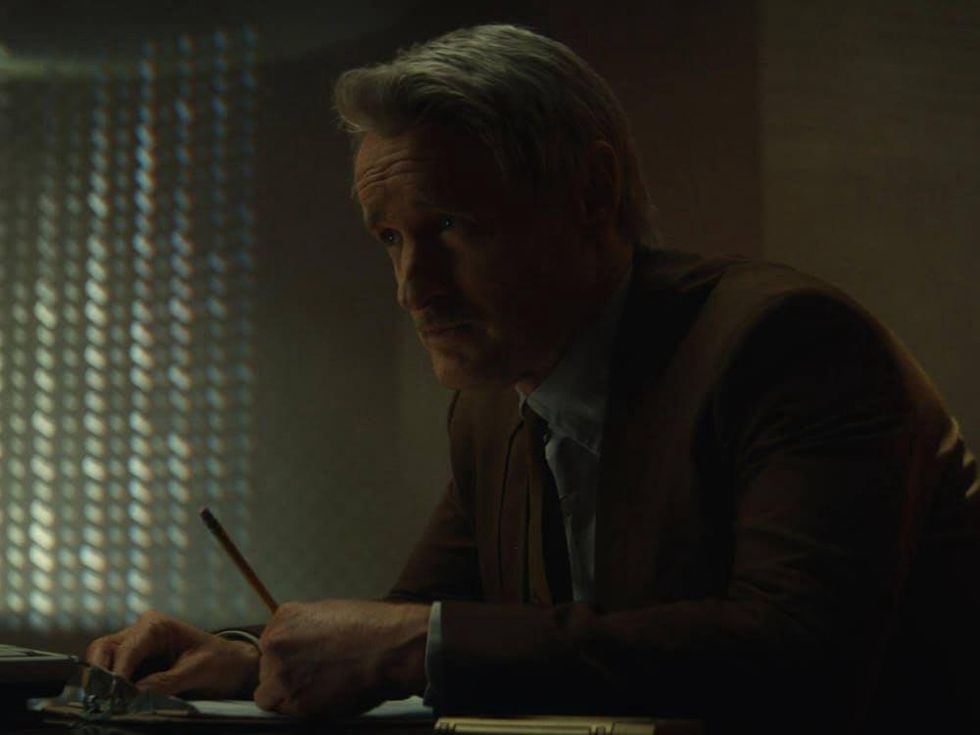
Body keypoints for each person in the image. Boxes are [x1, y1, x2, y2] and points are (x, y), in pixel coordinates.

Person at [86, 24, 980, 732]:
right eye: (391, 238)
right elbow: (414, 624)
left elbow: (798, 657)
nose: (413, 288)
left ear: (592, 192)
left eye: (451, 226)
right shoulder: (490, 405)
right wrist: (249, 658)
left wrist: (408, 643)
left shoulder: (787, 346)